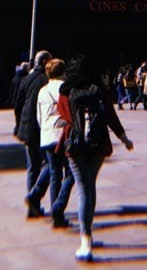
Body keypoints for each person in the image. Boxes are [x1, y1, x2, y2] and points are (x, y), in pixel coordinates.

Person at [58, 53, 133, 262]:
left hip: (75, 145)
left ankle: (85, 241)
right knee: (90, 187)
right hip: (98, 144)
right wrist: (124, 138)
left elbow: (63, 115)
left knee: (83, 189)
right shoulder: (100, 89)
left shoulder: (65, 90)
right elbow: (110, 115)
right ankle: (87, 234)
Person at [37, 58, 74, 228]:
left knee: (54, 174)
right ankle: (59, 206)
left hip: (46, 135)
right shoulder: (65, 88)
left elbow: (39, 116)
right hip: (63, 135)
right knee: (71, 173)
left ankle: (55, 212)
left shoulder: (42, 91)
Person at [15, 50, 52, 218]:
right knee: (50, 165)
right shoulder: (46, 80)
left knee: (32, 168)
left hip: (26, 128)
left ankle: (33, 207)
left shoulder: (26, 78)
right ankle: (35, 196)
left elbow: (18, 103)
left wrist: (18, 125)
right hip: (41, 128)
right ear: (44, 62)